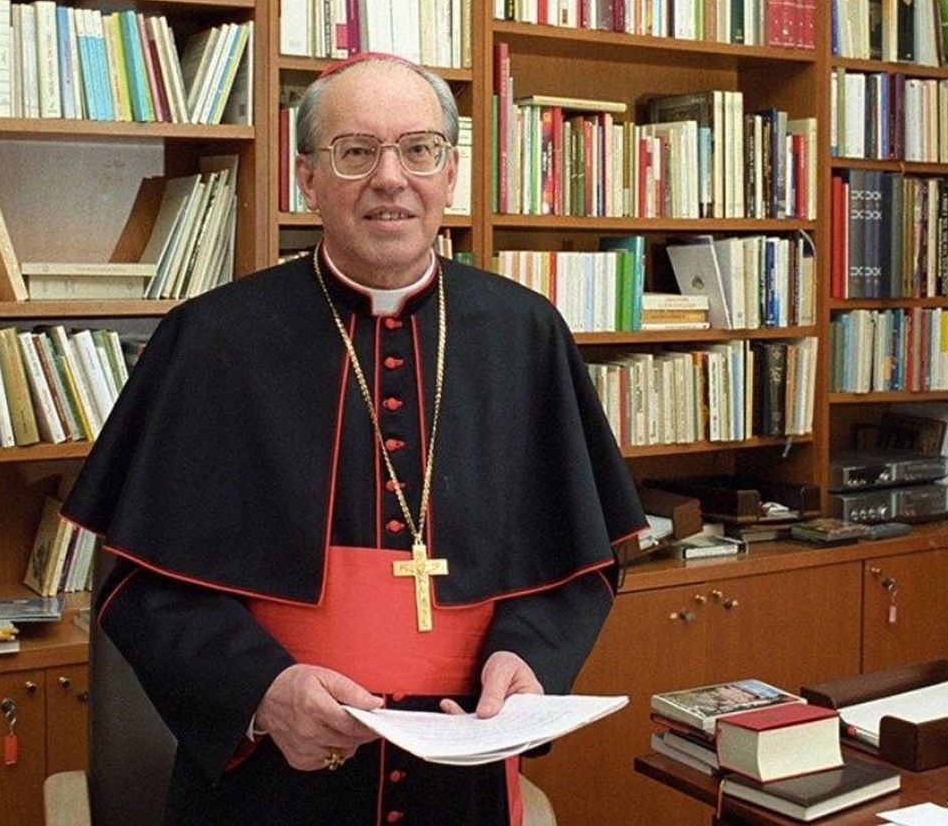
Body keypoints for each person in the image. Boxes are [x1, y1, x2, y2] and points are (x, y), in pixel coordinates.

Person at [64, 53, 647, 826]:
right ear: (308, 177)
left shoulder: (526, 335)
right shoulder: (213, 341)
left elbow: (576, 559)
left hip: (462, 778)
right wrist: (262, 692)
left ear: (450, 172)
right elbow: (140, 583)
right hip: (267, 788)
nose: (390, 178)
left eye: (419, 149)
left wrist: (529, 656)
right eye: (356, 151)